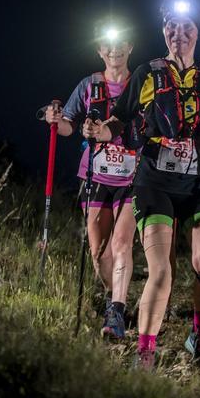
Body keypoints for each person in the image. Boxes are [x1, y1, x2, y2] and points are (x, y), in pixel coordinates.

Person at [83, 0, 200, 368]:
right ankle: (145, 354)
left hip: (199, 183)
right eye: (172, 27)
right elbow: (118, 121)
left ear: (198, 32)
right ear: (163, 30)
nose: (179, 33)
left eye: (187, 27)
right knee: (162, 270)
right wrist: (99, 131)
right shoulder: (148, 74)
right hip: (154, 182)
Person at [42, 18, 137, 339]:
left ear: (130, 47)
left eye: (120, 43)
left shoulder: (140, 84)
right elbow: (67, 125)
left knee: (122, 243)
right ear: (99, 50)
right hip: (96, 175)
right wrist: (54, 119)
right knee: (99, 254)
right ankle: (114, 297)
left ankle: (117, 312)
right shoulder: (89, 85)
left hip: (132, 176)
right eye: (107, 45)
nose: (114, 50)